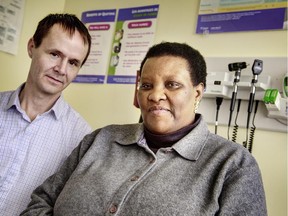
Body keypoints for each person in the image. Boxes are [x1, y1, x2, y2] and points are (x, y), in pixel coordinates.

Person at [21, 42, 267, 216]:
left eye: (172, 85)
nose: (155, 95)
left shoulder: (232, 165)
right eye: (146, 85)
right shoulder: (100, 139)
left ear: (197, 93)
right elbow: (41, 202)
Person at [0, 13, 93, 216]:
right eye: (55, 54)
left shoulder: (82, 138)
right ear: (32, 47)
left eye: (73, 62)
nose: (61, 69)